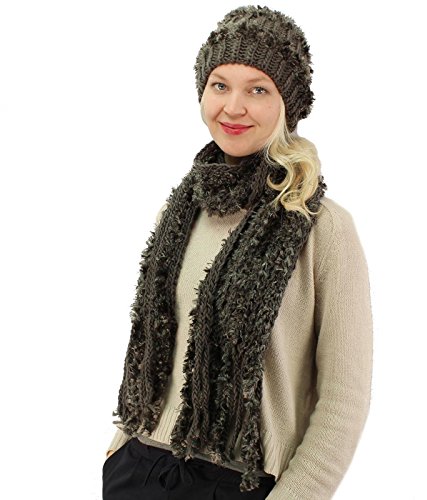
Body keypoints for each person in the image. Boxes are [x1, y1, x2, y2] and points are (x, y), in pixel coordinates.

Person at [102, 5, 373, 500]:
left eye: (258, 90)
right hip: (140, 468)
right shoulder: (181, 210)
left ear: (287, 104)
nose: (232, 107)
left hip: (241, 481)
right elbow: (154, 349)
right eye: (220, 85)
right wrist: (119, 448)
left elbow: (343, 399)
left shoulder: (323, 228)